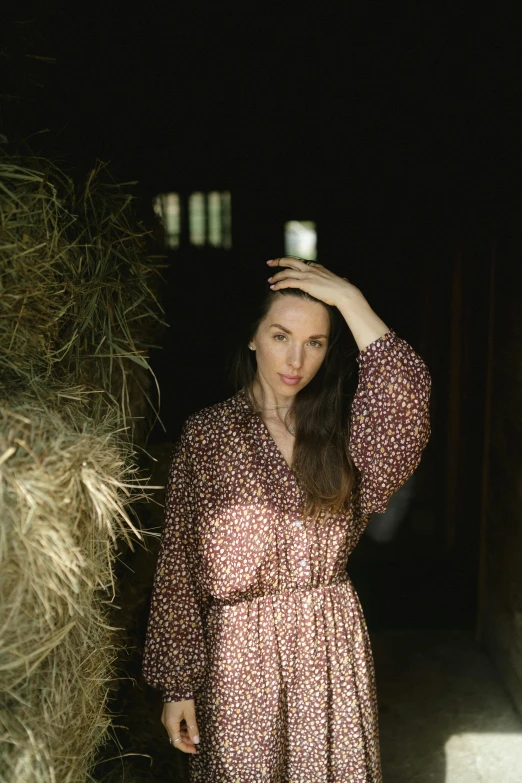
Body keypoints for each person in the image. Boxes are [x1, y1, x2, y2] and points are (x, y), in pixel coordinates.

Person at [142, 257, 431, 782]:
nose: (296, 359)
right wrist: (177, 685)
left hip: (329, 643)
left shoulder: (347, 433)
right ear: (253, 337)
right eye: (281, 336)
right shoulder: (208, 436)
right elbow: (177, 567)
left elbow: (406, 402)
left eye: (315, 342)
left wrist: (350, 297)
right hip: (238, 658)